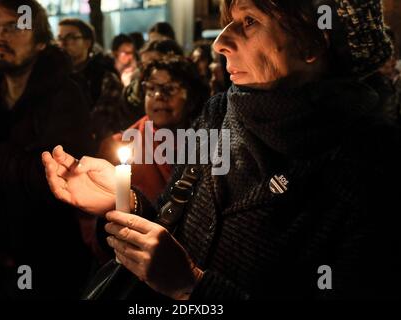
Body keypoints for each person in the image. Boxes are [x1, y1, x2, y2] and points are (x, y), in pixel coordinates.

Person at [43, 0, 401, 300]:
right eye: (228, 20)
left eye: (249, 21)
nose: (221, 42)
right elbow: (172, 229)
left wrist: (193, 287)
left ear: (313, 41)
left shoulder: (371, 164)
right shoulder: (220, 114)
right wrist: (123, 201)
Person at [0, 0, 93, 299]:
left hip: (46, 256)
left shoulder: (65, 95)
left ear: (41, 41)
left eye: (14, 27)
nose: (0, 36)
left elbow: (55, 179)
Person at [99, 56, 209, 203]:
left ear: (191, 97)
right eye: (151, 88)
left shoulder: (208, 145)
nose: (158, 96)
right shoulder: (116, 146)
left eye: (170, 89)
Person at [57, 18, 124, 145]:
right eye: (60, 38)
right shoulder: (54, 75)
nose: (63, 43)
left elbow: (100, 123)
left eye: (71, 37)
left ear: (88, 43)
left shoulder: (103, 76)